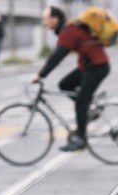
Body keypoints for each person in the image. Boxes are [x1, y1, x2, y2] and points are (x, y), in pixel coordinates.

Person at [32, 6, 111, 152]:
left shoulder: (69, 31)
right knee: (65, 84)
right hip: (89, 66)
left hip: (97, 66)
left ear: (55, 19)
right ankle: (90, 108)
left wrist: (40, 75)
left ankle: (81, 139)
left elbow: (57, 56)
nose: (44, 22)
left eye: (46, 19)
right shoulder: (68, 30)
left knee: (81, 102)